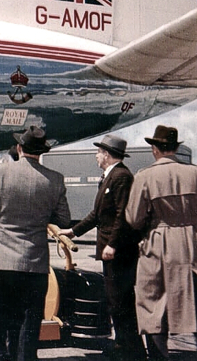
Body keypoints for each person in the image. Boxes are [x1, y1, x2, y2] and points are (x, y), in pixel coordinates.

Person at [0, 126, 71, 361]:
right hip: (35, 263)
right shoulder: (55, 179)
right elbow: (63, 219)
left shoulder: (2, 171)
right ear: (41, 152)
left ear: (20, 148)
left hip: (2, 260)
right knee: (28, 325)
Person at [59, 135, 145, 360]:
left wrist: (113, 244)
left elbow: (122, 215)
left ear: (106, 155)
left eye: (98, 152)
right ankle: (124, 345)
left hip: (119, 252)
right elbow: (97, 214)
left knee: (121, 301)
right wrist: (74, 231)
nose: (96, 156)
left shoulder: (121, 177)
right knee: (115, 300)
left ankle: (130, 349)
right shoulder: (109, 177)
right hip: (110, 250)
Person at [125, 125, 197, 360]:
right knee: (191, 301)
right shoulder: (194, 174)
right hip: (191, 244)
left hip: (157, 243)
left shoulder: (145, 176)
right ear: (175, 148)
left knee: (152, 305)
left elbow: (134, 219)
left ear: (155, 149)